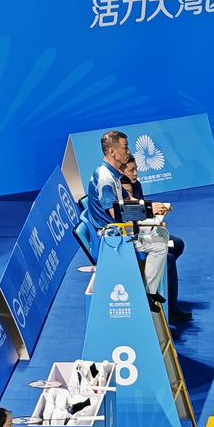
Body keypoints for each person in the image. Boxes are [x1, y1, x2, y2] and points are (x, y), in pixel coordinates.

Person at [81, 130, 171, 312]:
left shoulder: (112, 173)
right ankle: (147, 293)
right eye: (125, 147)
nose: (128, 151)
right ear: (112, 151)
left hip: (119, 230)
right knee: (159, 244)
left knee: (162, 233)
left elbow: (127, 200)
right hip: (111, 238)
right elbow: (115, 212)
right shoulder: (105, 178)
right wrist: (148, 211)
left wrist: (151, 206)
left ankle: (150, 290)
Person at [120, 155, 191, 322]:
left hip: (144, 230)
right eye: (131, 170)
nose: (135, 173)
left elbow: (141, 209)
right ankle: (170, 309)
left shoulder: (136, 185)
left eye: (136, 169)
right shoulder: (119, 188)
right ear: (121, 171)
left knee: (177, 244)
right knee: (169, 258)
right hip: (131, 237)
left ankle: (158, 280)